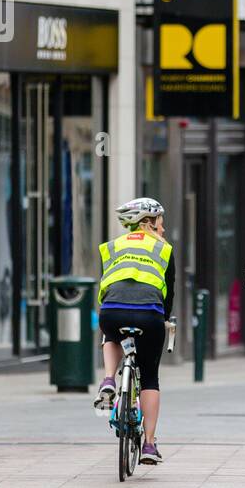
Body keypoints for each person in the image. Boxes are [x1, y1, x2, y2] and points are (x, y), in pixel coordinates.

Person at [94, 197, 175, 465]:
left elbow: (105, 289)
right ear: (149, 224)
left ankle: (108, 379)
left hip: (112, 311)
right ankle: (150, 445)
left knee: (111, 332)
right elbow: (168, 293)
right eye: (160, 225)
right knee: (150, 377)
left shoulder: (111, 247)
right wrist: (164, 320)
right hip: (150, 314)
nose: (163, 230)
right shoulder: (164, 249)